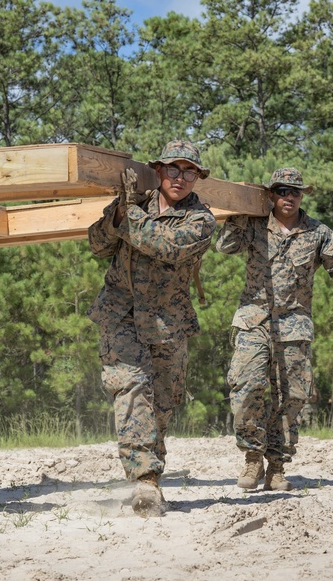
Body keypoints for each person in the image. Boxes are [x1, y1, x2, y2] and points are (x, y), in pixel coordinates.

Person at [215, 168, 333, 491]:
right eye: (281, 191)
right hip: (254, 320)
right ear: (270, 195)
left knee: (291, 396)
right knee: (246, 386)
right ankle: (252, 457)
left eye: (294, 191)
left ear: (302, 195)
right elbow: (225, 246)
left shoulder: (318, 234)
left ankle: (276, 466)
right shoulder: (253, 226)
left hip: (294, 325)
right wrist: (239, 210)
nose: (288, 197)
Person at [87, 140, 216, 517]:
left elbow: (163, 245)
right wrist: (116, 216)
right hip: (120, 313)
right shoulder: (133, 204)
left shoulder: (201, 220)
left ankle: (152, 477)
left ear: (197, 177)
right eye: (173, 169)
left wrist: (129, 214)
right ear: (158, 170)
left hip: (168, 323)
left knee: (161, 405)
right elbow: (96, 245)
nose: (180, 178)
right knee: (130, 386)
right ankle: (144, 481)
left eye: (189, 171)